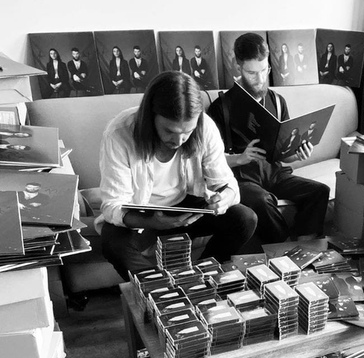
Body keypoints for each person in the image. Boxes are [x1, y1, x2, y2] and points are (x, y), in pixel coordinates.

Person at [97, 71, 257, 280]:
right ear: (150, 117)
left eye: (187, 132)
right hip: (142, 213)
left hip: (186, 208)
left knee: (245, 218)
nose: (179, 140)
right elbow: (113, 205)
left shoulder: (205, 126)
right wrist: (153, 222)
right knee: (113, 244)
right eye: (169, 131)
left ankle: (201, 277)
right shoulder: (119, 133)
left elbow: (226, 183)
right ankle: (157, 289)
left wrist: (224, 198)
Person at [208, 33, 329, 244]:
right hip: (242, 179)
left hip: (274, 173)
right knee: (262, 201)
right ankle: (284, 250)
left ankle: (304, 248)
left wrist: (298, 153)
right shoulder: (221, 107)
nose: (260, 79)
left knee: (319, 191)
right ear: (238, 68)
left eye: (264, 70)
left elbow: (285, 155)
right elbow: (209, 161)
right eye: (252, 73)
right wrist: (240, 158)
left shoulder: (278, 102)